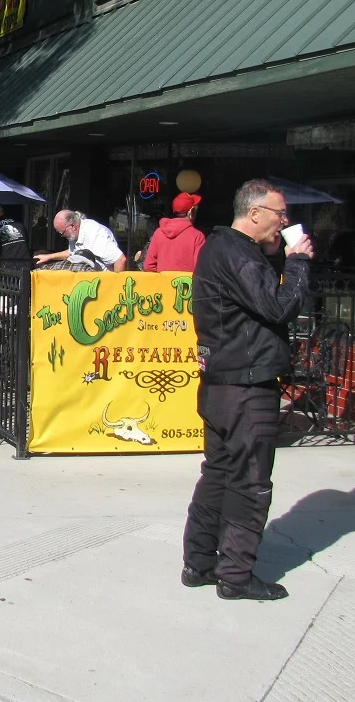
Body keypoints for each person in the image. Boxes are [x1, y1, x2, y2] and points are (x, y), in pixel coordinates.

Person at [182, 179, 313, 601]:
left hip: (223, 383)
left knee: (219, 472)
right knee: (250, 480)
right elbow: (278, 307)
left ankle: (199, 563)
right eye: (280, 214)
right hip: (246, 385)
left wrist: (274, 254)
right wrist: (298, 262)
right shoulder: (236, 252)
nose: (284, 222)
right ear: (255, 213)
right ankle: (235, 575)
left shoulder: (225, 249)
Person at [34, 209, 126, 272]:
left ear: (73, 226)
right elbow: (72, 252)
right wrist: (48, 257)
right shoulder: (75, 234)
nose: (62, 236)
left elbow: (120, 259)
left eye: (62, 232)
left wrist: (115, 289)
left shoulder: (94, 234)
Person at [144, 192, 206, 272]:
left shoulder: (159, 232)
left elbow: (148, 266)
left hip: (162, 283)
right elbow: (200, 270)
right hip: (186, 284)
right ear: (191, 212)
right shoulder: (197, 236)